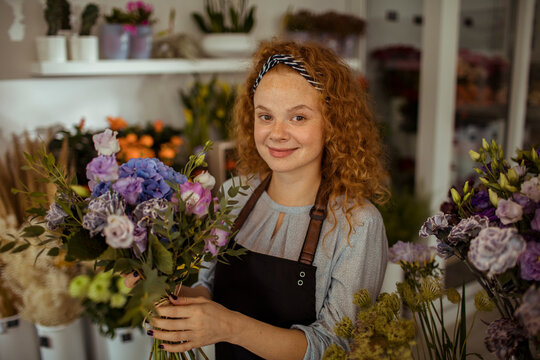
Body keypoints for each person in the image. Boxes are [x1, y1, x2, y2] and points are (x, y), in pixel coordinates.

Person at [142, 39, 390, 360]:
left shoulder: (358, 223)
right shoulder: (235, 194)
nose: (277, 133)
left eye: (298, 117)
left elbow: (337, 348)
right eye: (266, 116)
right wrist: (152, 282)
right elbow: (207, 290)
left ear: (333, 124)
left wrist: (230, 326)